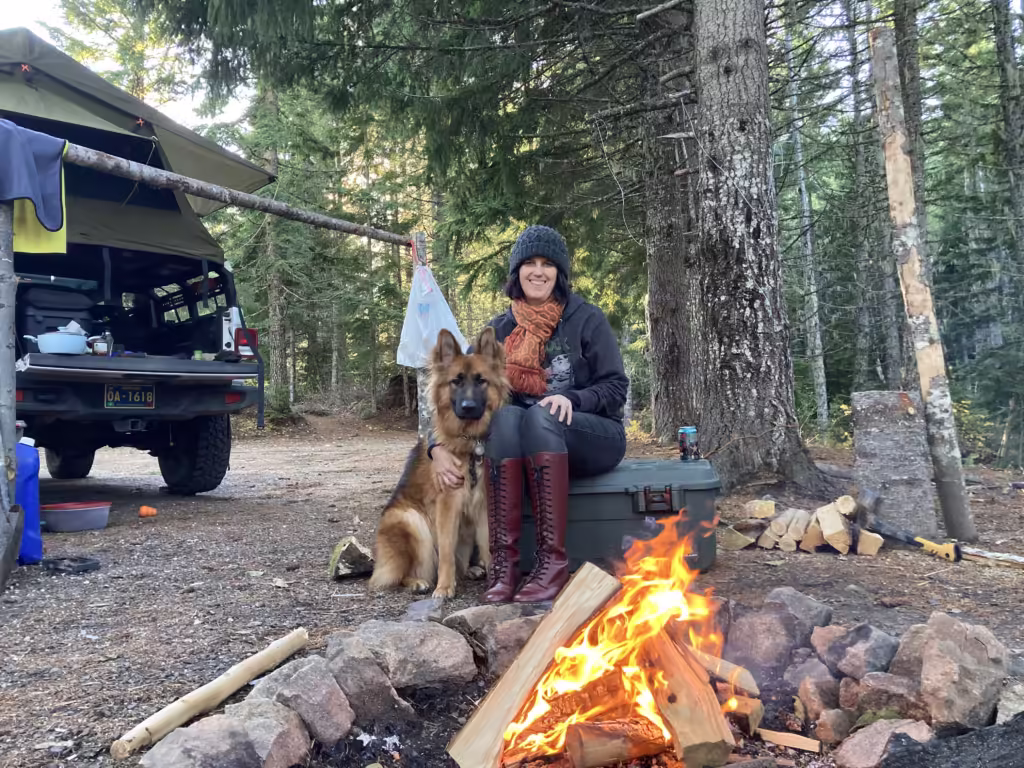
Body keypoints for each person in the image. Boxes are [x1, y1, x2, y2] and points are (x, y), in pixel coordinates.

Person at [429, 225, 629, 603]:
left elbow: (616, 387)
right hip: (529, 447)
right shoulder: (501, 329)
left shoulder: (586, 319)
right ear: (516, 272)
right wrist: (434, 447)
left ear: (560, 274)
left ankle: (551, 564)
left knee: (539, 415)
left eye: (548, 264)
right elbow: (457, 387)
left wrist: (575, 399)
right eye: (529, 263)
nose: (538, 272)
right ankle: (503, 566)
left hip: (593, 435)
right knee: (505, 418)